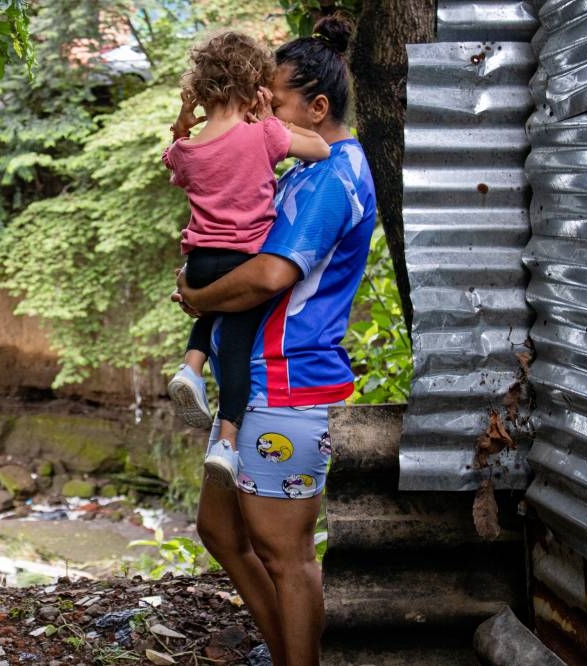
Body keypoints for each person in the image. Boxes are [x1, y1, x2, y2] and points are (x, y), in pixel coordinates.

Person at [172, 15, 376, 666]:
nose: (263, 105)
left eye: (276, 97)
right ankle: (289, 654)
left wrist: (198, 298)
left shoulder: (334, 174)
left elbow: (268, 274)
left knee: (285, 553)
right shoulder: (297, 159)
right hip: (251, 374)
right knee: (221, 531)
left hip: (289, 384)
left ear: (317, 107)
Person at [163, 30, 330, 490]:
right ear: (255, 83)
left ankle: (190, 369)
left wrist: (183, 120)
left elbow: (171, 159)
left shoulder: (187, 150)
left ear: (200, 87)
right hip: (244, 262)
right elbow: (322, 150)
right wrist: (268, 122)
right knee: (235, 351)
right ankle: (228, 445)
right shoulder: (264, 135)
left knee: (207, 307)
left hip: (200, 260)